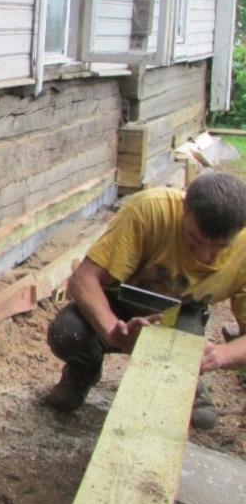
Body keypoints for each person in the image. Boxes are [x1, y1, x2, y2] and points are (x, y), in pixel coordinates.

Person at [44, 171, 246, 429]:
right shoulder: (148, 210)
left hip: (177, 314)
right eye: (194, 239)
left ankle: (185, 381)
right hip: (117, 301)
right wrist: (112, 330)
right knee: (68, 333)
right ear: (184, 207)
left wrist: (221, 354)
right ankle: (83, 372)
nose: (204, 255)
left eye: (219, 246)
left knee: (195, 412)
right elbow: (83, 280)